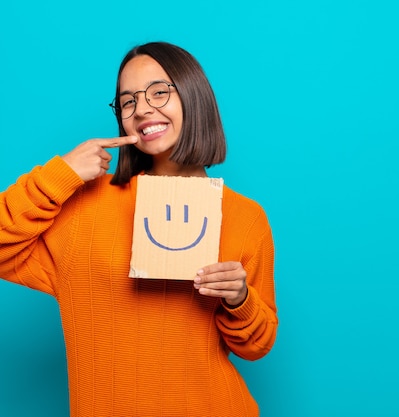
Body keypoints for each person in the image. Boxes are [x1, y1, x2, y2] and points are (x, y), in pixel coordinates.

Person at [0, 42, 278, 417]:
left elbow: (258, 344)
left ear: (193, 97)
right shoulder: (83, 205)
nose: (143, 108)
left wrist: (239, 298)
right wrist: (60, 174)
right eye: (127, 101)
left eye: (159, 91)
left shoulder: (245, 217)